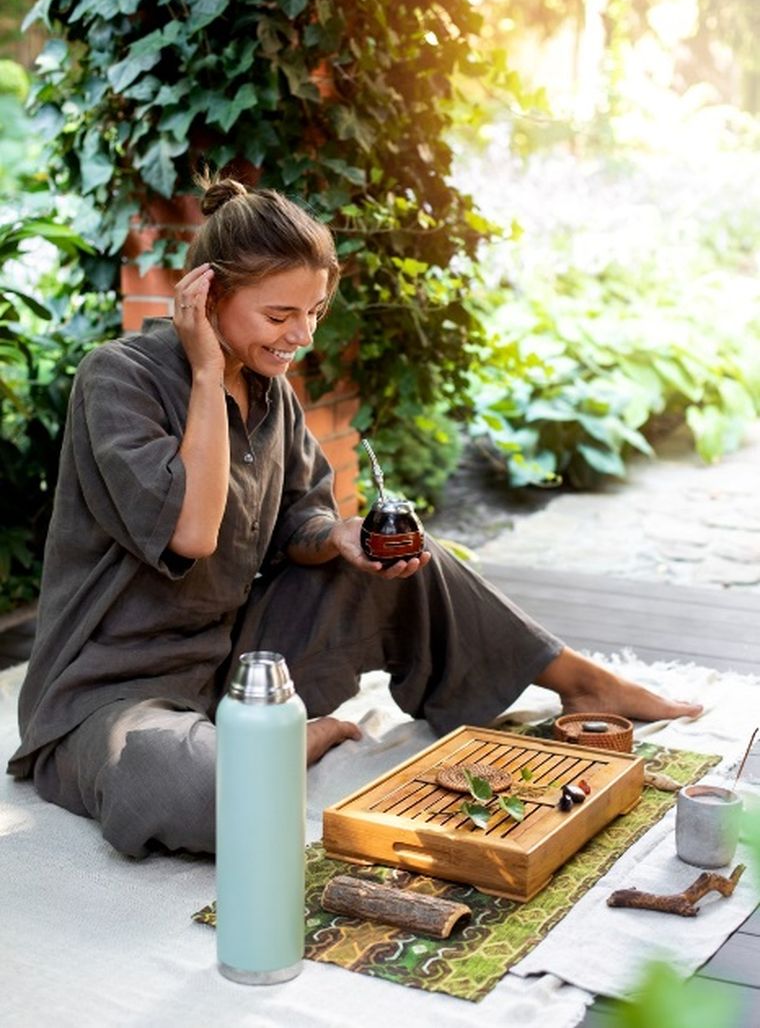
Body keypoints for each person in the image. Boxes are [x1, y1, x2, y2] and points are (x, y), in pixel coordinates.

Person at [7, 177, 701, 858]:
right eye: (280, 316)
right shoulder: (118, 378)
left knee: (411, 561)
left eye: (314, 311)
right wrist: (205, 375)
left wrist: (339, 537)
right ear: (208, 297)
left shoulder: (270, 394)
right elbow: (192, 532)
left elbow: (295, 525)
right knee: (206, 789)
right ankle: (286, 742)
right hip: (112, 695)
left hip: (237, 665)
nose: (301, 335)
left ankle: (579, 680)